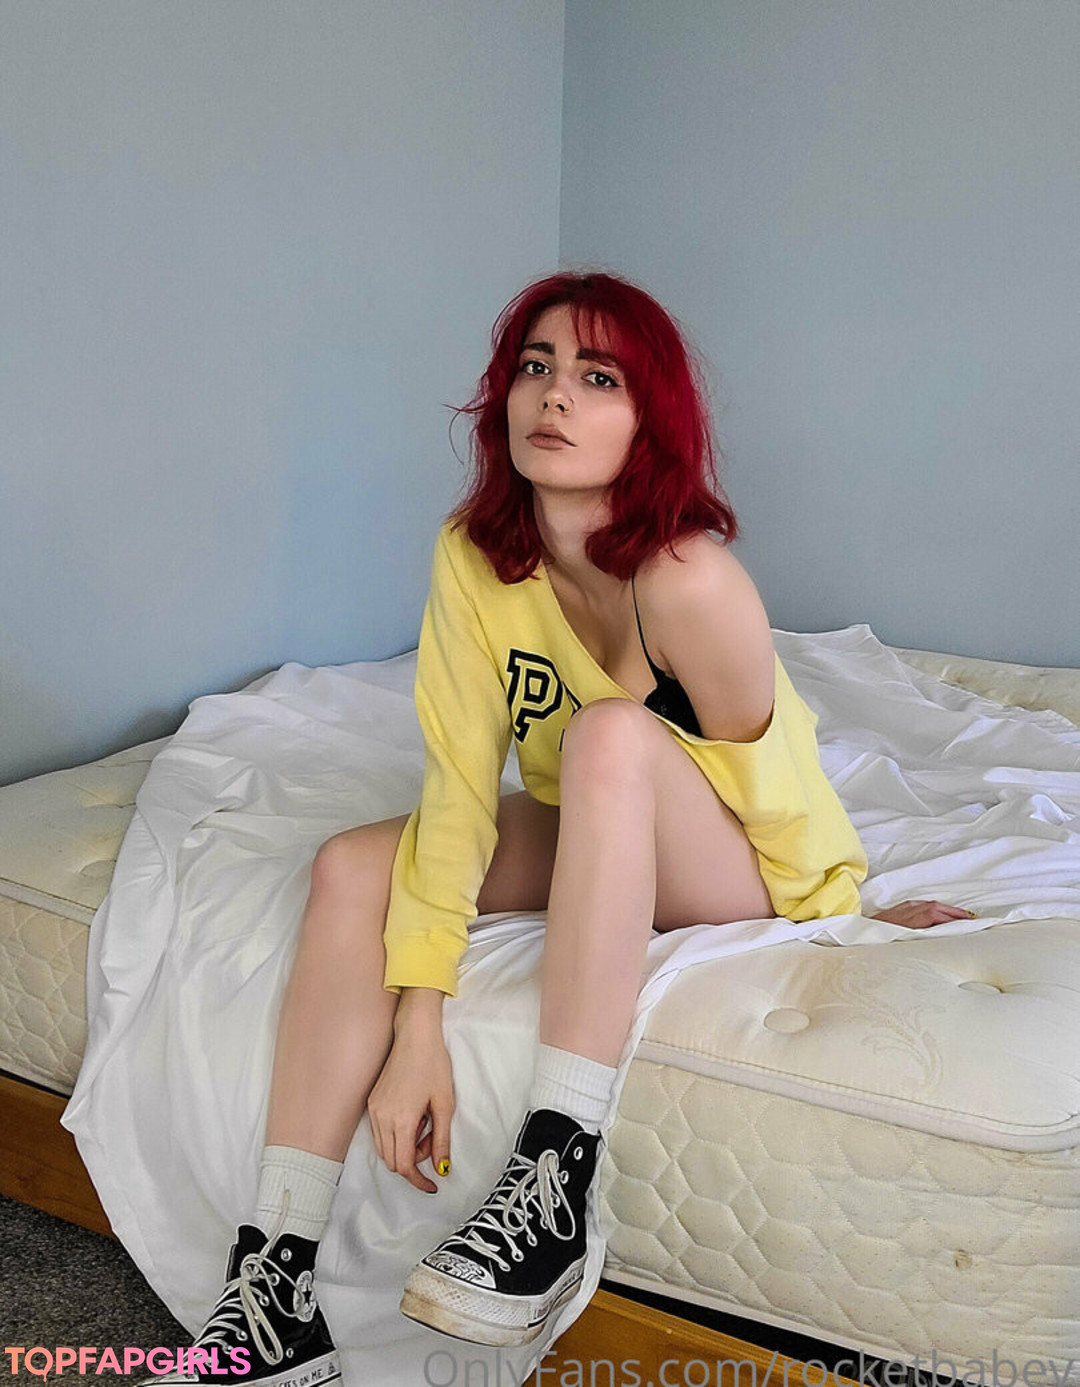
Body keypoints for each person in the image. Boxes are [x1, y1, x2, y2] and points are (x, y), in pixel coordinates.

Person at [145, 270, 977, 1386]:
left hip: (726, 857)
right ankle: (273, 1286)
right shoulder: (473, 553)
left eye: (599, 378)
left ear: (649, 420)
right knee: (351, 864)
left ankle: (551, 1182)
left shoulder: (690, 579)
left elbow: (777, 787)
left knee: (610, 735)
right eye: (536, 367)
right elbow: (455, 784)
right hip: (590, 823)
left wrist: (842, 916)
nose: (555, 396)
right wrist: (420, 1022)